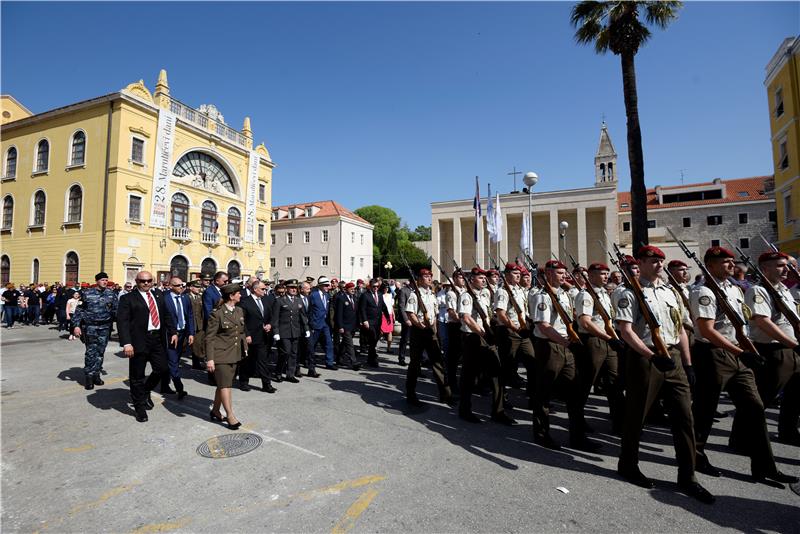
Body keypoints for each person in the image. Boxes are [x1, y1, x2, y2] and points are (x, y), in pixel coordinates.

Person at [615, 245, 714, 504]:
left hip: (674, 359)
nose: (659, 264)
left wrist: (688, 364)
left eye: (661, 260)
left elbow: (680, 327)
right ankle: (627, 464)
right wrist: (652, 357)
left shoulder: (670, 292)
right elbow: (626, 331)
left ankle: (688, 476)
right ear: (641, 262)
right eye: (652, 260)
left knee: (684, 417)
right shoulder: (630, 292)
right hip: (645, 357)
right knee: (637, 415)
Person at [690, 247, 797, 484]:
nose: (731, 265)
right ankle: (695, 455)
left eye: (731, 261)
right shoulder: (704, 291)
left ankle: (764, 466)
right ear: (710, 265)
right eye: (725, 262)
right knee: (705, 410)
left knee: (756, 408)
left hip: (738, 355)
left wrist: (748, 350)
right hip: (713, 354)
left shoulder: (735, 289)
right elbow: (707, 330)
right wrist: (742, 352)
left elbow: (741, 327)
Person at [530, 260, 598, 451]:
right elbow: (543, 326)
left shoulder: (564, 294)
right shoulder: (542, 296)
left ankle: (578, 437)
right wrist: (568, 343)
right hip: (550, 346)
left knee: (574, 393)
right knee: (543, 393)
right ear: (549, 274)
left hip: (565, 345)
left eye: (564, 272)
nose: (564, 276)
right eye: (559, 273)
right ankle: (541, 434)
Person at [743, 251, 800, 447]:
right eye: (780, 266)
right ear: (765, 269)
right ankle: (741, 437)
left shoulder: (784, 290)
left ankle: (789, 432)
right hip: (773, 349)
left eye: (787, 265)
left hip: (793, 348)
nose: (786, 269)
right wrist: (793, 345)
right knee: (762, 398)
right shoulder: (758, 291)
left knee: (794, 396)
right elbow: (763, 322)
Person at [573, 262, 625, 434]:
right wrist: (608, 338)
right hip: (594, 341)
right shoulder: (586, 295)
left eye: (606, 273)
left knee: (614, 382)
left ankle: (619, 422)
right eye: (601, 273)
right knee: (585, 383)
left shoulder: (603, 294)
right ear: (591, 275)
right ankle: (577, 423)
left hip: (608, 341)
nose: (605, 276)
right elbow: (586, 322)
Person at [117, 271, 173, 423]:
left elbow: (166, 315)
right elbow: (122, 322)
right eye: (143, 281)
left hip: (157, 339)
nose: (146, 283)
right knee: (137, 376)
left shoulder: (159, 296)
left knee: (162, 369)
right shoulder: (127, 298)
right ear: (137, 281)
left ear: (153, 281)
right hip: (138, 341)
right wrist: (127, 343)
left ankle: (145, 391)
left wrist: (172, 331)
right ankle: (139, 407)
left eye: (149, 281)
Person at [457, 267, 511, 424]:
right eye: (480, 278)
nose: (484, 280)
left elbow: (488, 315)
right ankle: (465, 410)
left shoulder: (486, 294)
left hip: (486, 337)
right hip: (472, 338)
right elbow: (466, 318)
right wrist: (482, 333)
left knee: (497, 374)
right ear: (472, 279)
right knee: (469, 375)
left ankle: (498, 412)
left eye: (484, 278)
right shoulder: (466, 295)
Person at [404, 269, 453, 407]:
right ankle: (411, 394)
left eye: (430, 276)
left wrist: (435, 331)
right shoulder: (415, 295)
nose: (429, 278)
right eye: (426, 276)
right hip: (418, 332)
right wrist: (419, 325)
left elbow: (436, 314)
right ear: (419, 279)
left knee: (438, 362)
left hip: (431, 331)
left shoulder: (432, 295)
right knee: (415, 363)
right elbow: (410, 313)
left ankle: (446, 394)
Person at [494, 263, 536, 411]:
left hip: (523, 332)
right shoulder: (503, 291)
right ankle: (501, 401)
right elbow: (501, 314)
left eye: (520, 273)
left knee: (532, 362)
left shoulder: (520, 290)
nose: (518, 275)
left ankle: (534, 397)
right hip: (509, 332)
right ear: (506, 274)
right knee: (506, 367)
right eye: (515, 273)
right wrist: (515, 327)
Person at [205, 283, 247, 429]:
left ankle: (216, 411)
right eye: (238, 293)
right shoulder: (217, 313)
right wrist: (210, 359)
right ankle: (230, 415)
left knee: (222, 384)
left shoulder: (239, 310)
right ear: (231, 296)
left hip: (234, 353)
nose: (241, 295)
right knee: (226, 386)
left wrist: (245, 342)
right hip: (220, 355)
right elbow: (209, 338)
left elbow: (240, 331)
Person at [72, 272, 119, 390]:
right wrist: (76, 326)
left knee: (100, 352)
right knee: (91, 351)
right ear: (97, 281)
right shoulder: (87, 293)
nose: (105, 282)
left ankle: (96, 374)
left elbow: (116, 310)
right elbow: (79, 310)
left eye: (106, 280)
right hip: (90, 327)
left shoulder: (111, 293)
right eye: (103, 280)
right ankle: (89, 376)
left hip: (105, 327)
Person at [238, 279, 276, 393]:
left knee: (263, 361)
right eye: (263, 289)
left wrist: (270, 325)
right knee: (247, 360)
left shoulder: (266, 300)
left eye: (265, 289)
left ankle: (266, 384)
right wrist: (246, 334)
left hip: (263, 336)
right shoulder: (245, 302)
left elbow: (271, 316)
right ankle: (244, 382)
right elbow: (242, 321)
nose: (265, 291)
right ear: (255, 289)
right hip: (250, 336)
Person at [161, 277, 194, 398]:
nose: (182, 287)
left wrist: (191, 333)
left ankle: (164, 385)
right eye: (178, 285)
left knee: (174, 360)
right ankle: (179, 388)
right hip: (170, 334)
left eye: (183, 285)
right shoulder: (164, 298)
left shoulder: (185, 298)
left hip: (182, 334)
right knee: (173, 361)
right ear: (170, 286)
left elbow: (189, 315)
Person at [270, 279, 310, 383]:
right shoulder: (280, 300)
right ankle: (278, 372)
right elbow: (275, 318)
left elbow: (303, 317)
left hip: (296, 331)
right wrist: (276, 332)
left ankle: (290, 374)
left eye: (295, 288)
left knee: (293, 353)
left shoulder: (298, 300)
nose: (293, 289)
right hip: (284, 332)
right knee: (285, 352)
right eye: (291, 287)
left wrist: (306, 329)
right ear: (286, 288)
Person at [358, 278, 390, 367]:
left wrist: (387, 316)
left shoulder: (379, 294)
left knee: (374, 340)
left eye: (377, 286)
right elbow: (362, 309)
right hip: (369, 321)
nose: (376, 288)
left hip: (378, 321)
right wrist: (364, 320)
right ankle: (373, 359)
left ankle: (370, 358)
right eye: (374, 286)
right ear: (370, 286)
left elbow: (383, 306)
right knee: (373, 337)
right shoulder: (365, 295)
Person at [308, 276, 336, 372]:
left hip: (325, 324)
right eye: (325, 285)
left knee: (329, 343)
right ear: (320, 286)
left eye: (328, 285)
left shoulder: (327, 296)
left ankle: (329, 362)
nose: (327, 287)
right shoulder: (313, 295)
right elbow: (310, 310)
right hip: (315, 323)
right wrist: (311, 323)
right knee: (312, 344)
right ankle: (308, 361)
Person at [445, 271, 466, 394]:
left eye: (464, 277)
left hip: (463, 326)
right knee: (453, 357)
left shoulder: (464, 292)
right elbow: (452, 313)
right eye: (460, 277)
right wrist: (464, 320)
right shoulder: (451, 293)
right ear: (454, 278)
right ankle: (452, 384)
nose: (462, 279)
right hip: (455, 326)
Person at [334, 282, 361, 370]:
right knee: (350, 344)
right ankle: (354, 362)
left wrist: (359, 323)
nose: (353, 290)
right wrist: (340, 326)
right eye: (351, 288)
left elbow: (356, 312)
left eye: (354, 288)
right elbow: (339, 314)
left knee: (344, 344)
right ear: (346, 289)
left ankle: (339, 358)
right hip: (345, 326)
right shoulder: (341, 299)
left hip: (353, 325)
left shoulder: (355, 298)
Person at [186, 280, 206, 370]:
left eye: (199, 287)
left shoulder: (200, 297)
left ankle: (196, 363)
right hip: (189, 323)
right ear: (191, 287)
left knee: (198, 344)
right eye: (197, 287)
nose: (199, 289)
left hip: (199, 324)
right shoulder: (186, 297)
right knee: (184, 344)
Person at [396, 282, 412, 366]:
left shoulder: (418, 290)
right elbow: (401, 306)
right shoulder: (404, 291)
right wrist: (406, 319)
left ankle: (421, 359)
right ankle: (401, 358)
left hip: (417, 319)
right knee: (405, 339)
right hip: (407, 319)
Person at [380, 281, 395, 354]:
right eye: (384, 288)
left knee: (390, 331)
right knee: (381, 331)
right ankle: (374, 346)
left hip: (389, 314)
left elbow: (391, 306)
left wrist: (393, 314)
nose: (386, 289)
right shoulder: (380, 295)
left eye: (387, 288)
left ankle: (388, 348)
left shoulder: (390, 295)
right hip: (382, 315)